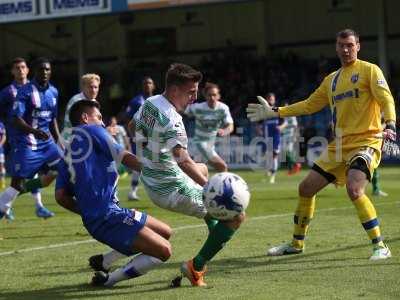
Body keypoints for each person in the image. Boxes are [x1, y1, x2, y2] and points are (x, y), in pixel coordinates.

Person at [247, 29, 396, 260]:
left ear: (358, 46)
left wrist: (391, 124)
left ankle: (380, 246)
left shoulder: (369, 70)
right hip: (339, 145)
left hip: (366, 141)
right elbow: (308, 105)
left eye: (350, 45)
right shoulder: (332, 80)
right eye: (341, 45)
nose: (345, 49)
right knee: (305, 188)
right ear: (336, 48)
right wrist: (276, 112)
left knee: (354, 189)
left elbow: (386, 98)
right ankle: (296, 244)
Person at [131, 63, 244, 286]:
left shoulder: (150, 102)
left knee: (201, 167)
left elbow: (131, 125)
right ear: (174, 91)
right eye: (191, 92)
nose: (193, 98)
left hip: (154, 179)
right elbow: (183, 161)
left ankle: (212, 224)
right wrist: (212, 188)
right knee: (236, 216)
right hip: (171, 189)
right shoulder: (173, 118)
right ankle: (195, 267)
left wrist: (148, 156)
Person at [55, 99, 171, 287]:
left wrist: (86, 210)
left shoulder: (67, 152)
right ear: (85, 118)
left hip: (102, 217)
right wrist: (159, 171)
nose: (102, 122)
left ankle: (105, 261)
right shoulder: (93, 130)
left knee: (165, 231)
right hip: (109, 216)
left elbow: (60, 196)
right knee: (164, 251)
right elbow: (123, 156)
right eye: (99, 117)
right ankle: (109, 280)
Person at [0, 57, 58, 220]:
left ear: (27, 70)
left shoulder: (51, 91)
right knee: (17, 182)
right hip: (21, 141)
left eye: (23, 67)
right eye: (17, 68)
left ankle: (35, 205)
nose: (20, 70)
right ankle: (7, 205)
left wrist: (59, 140)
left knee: (59, 171)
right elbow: (12, 116)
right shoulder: (8, 92)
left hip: (45, 143)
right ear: (12, 71)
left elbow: (52, 118)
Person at [185, 82, 234, 172]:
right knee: (222, 167)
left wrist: (225, 131)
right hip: (199, 143)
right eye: (209, 95)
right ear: (205, 96)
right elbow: (181, 108)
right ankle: (224, 186)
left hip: (210, 144)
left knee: (199, 173)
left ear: (218, 96)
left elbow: (230, 125)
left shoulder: (223, 108)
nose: (212, 98)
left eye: (214, 95)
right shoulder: (198, 108)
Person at [125, 76, 155, 201]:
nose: (148, 85)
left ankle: (135, 191)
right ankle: (133, 191)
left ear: (153, 86)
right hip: (140, 138)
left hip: (155, 138)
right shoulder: (136, 101)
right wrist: (133, 136)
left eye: (150, 83)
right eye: (145, 83)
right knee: (140, 164)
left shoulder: (157, 100)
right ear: (142, 86)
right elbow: (128, 119)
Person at [62, 73, 100, 143]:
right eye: (90, 87)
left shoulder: (94, 102)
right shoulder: (77, 101)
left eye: (96, 87)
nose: (93, 90)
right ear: (84, 87)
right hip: (70, 141)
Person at [258, 93, 285, 183]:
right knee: (267, 156)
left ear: (274, 100)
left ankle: (273, 176)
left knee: (274, 156)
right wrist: (259, 130)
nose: (270, 100)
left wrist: (281, 127)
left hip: (276, 136)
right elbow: (258, 124)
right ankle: (269, 172)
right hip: (266, 136)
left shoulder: (278, 110)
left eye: (272, 99)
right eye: (269, 98)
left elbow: (285, 122)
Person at [281, 101, 302, 175]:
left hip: (291, 135)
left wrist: (295, 135)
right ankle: (292, 168)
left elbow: (295, 126)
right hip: (285, 136)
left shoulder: (292, 115)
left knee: (288, 151)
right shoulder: (284, 116)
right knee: (286, 151)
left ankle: (295, 165)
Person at [0, 121, 6, 189]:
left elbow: (4, 136)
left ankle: (2, 181)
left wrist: (0, 145)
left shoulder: (1, 124)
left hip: (0, 150)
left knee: (1, 166)